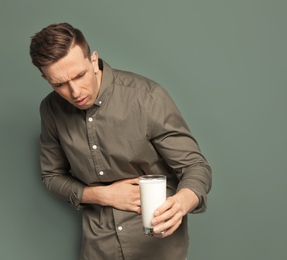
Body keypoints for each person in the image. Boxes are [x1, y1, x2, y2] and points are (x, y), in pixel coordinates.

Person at [29, 22, 212, 260]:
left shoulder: (146, 98)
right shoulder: (51, 109)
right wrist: (100, 195)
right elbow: (51, 177)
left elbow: (195, 167)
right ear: (46, 79)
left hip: (157, 246)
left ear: (93, 60)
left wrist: (181, 203)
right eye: (60, 84)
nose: (74, 92)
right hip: (98, 247)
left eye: (80, 75)